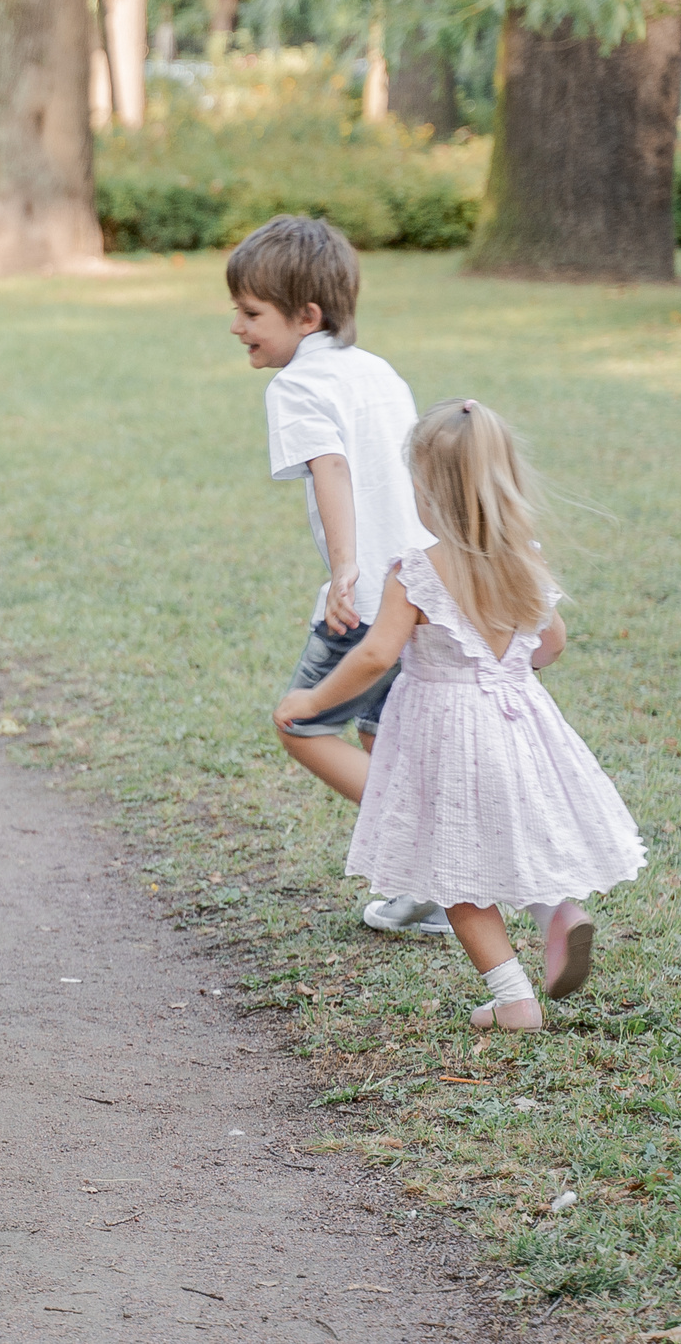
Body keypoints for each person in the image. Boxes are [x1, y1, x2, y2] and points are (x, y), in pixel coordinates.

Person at [278, 399, 645, 1030]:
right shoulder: (522, 557)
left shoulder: (415, 573)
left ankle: (513, 998)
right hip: (520, 724)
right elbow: (551, 642)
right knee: (514, 833)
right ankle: (559, 911)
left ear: (428, 494)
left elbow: (374, 657)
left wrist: (311, 701)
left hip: (446, 734)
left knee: (453, 868)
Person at [226, 215, 448, 938]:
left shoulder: (297, 385)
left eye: (251, 313)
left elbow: (332, 467)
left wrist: (346, 567)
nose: (237, 326)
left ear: (306, 316)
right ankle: (425, 889)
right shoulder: (378, 370)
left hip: (369, 597)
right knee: (386, 733)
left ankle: (424, 853)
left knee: (301, 721)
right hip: (425, 581)